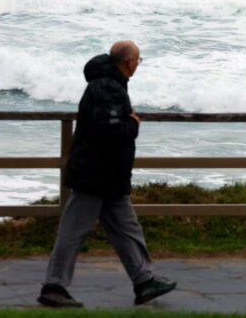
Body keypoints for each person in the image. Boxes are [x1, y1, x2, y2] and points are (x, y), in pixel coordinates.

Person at [37, 41, 176, 308]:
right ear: (128, 62)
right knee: (73, 231)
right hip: (95, 175)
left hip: (109, 175)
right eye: (138, 60)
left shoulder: (110, 83)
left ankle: (145, 281)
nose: (138, 64)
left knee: (127, 229)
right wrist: (133, 124)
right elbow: (109, 131)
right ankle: (53, 286)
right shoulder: (107, 87)